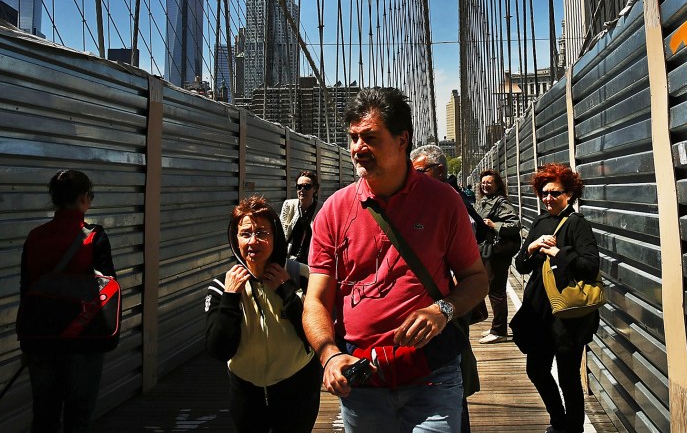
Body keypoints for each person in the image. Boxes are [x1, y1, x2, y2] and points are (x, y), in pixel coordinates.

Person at [304, 87, 488, 432]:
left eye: (370, 138)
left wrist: (442, 310)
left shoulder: (443, 201)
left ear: (402, 139)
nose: (358, 148)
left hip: (430, 373)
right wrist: (328, 353)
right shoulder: (334, 210)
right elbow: (316, 298)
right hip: (361, 376)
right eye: (354, 137)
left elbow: (476, 278)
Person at [205, 195, 321, 433]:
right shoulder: (223, 286)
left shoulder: (302, 276)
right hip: (246, 389)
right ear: (235, 238)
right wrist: (230, 298)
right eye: (245, 233)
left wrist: (288, 291)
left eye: (262, 233)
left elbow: (317, 334)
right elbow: (218, 349)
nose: (253, 241)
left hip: (297, 384)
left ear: (276, 236)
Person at [19, 169, 116, 432]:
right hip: (83, 338)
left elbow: (26, 290)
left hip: (41, 339)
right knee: (79, 418)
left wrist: (25, 341)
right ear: (84, 198)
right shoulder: (93, 237)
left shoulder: (35, 237)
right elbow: (109, 290)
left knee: (44, 417)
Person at [511, 163, 600, 433]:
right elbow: (522, 266)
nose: (548, 198)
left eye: (555, 193)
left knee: (568, 377)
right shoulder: (539, 222)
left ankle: (573, 428)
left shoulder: (577, 224)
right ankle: (558, 419)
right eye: (544, 193)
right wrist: (531, 248)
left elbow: (590, 266)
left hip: (566, 315)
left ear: (569, 194)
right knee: (536, 370)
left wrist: (558, 253)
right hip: (537, 312)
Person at [411, 144, 481, 433]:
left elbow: (464, 263)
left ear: (439, 170)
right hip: (439, 307)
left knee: (452, 375)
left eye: (419, 171)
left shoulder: (448, 202)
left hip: (448, 304)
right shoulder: (429, 200)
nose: (412, 177)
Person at [473, 169, 520, 344]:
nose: (485, 185)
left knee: (497, 290)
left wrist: (494, 225)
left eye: (489, 183)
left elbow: (515, 224)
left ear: (497, 185)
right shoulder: (486, 201)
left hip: (498, 253)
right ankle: (497, 326)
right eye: (483, 182)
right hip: (489, 251)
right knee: (491, 288)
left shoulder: (500, 202)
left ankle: (499, 330)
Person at [280, 170, 321, 284]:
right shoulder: (289, 205)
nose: (302, 190)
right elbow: (282, 233)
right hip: (290, 259)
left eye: (307, 187)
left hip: (310, 261)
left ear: (315, 189)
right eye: (299, 187)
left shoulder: (322, 209)